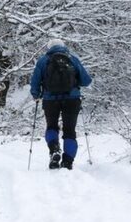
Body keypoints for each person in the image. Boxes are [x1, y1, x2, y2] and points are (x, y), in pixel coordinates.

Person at [29, 38, 92, 170]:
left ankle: (54, 150)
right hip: (72, 99)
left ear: (49, 48)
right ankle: (68, 161)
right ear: (63, 46)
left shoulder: (43, 61)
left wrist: (36, 95)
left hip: (50, 100)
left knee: (51, 127)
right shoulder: (72, 59)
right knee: (70, 131)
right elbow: (86, 81)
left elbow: (35, 81)